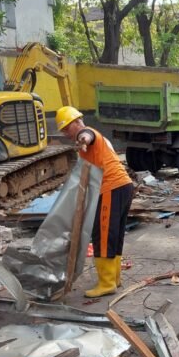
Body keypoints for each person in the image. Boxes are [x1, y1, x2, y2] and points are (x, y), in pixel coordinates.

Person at [55, 106, 134, 298]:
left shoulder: (88, 134)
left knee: (104, 235)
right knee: (114, 234)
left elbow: (86, 134)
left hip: (111, 188)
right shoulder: (100, 139)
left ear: (76, 122)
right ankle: (114, 279)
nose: (66, 134)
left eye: (66, 128)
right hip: (123, 186)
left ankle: (107, 284)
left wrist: (83, 139)